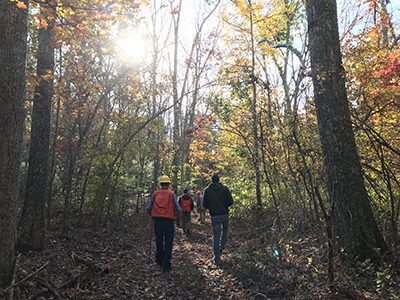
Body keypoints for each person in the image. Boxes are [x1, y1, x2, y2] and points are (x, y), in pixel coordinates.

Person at [147, 175, 182, 272]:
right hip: (169, 221)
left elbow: (148, 208)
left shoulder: (155, 194)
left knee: (158, 240)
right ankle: (166, 264)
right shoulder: (172, 194)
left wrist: (152, 215)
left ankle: (159, 260)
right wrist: (178, 221)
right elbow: (178, 209)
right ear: (168, 184)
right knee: (168, 242)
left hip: (157, 221)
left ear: (161, 184)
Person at [203, 173, 233, 266]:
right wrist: (224, 205)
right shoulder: (225, 189)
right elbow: (230, 202)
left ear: (211, 180)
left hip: (214, 215)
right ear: (218, 179)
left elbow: (205, 205)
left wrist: (212, 207)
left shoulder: (207, 190)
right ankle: (221, 247)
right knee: (225, 230)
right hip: (224, 214)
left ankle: (217, 259)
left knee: (216, 236)